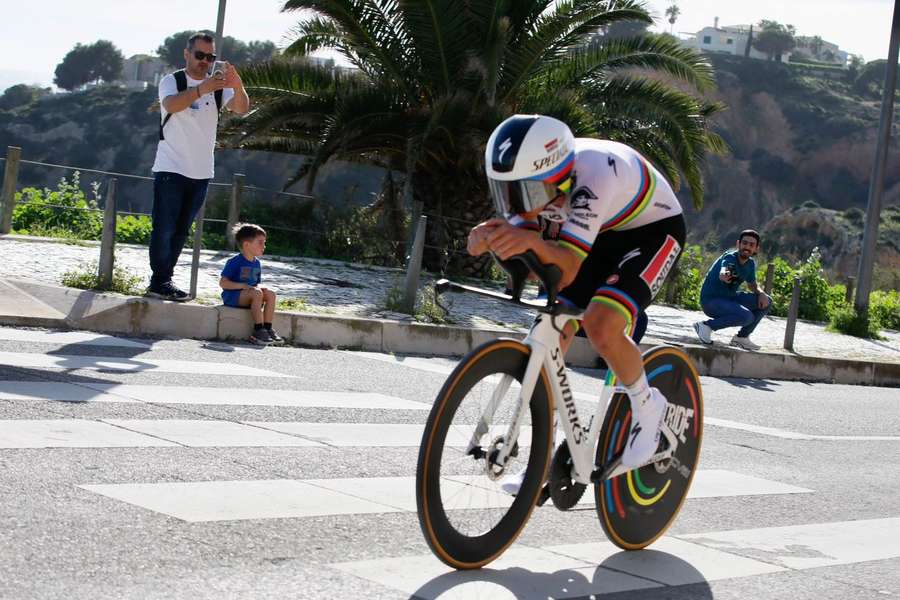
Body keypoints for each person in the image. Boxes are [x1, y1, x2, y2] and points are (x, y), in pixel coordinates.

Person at [468, 114, 686, 472]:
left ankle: (649, 409)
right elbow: (530, 257)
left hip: (652, 231)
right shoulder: (539, 182)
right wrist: (490, 239)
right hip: (596, 231)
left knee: (602, 325)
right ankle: (543, 454)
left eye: (524, 193)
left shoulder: (594, 177)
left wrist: (525, 238)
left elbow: (567, 265)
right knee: (557, 326)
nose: (516, 205)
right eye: (505, 191)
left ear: (558, 178)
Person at [147, 32, 250, 301]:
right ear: (187, 54)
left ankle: (164, 282)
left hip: (201, 171)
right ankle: (159, 281)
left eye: (210, 57)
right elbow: (171, 105)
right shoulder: (174, 80)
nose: (205, 61)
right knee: (164, 228)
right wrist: (203, 88)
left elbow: (241, 108)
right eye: (200, 55)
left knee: (181, 231)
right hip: (171, 167)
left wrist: (237, 85)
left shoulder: (218, 87)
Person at [693, 230, 771, 350]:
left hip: (730, 298)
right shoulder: (729, 257)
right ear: (738, 244)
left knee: (767, 301)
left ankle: (741, 338)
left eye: (751, 245)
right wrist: (725, 274)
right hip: (711, 301)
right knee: (747, 317)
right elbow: (724, 272)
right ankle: (706, 326)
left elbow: (752, 285)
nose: (747, 247)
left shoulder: (750, 264)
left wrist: (761, 293)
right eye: (744, 243)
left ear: (756, 249)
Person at [219, 223, 284, 346]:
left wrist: (258, 289)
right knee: (257, 293)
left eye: (264, 243)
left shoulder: (257, 263)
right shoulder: (235, 261)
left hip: (251, 295)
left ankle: (268, 328)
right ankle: (258, 330)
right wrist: (242, 286)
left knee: (270, 294)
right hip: (233, 297)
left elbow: (254, 284)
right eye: (260, 242)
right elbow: (223, 283)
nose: (263, 246)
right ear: (246, 245)